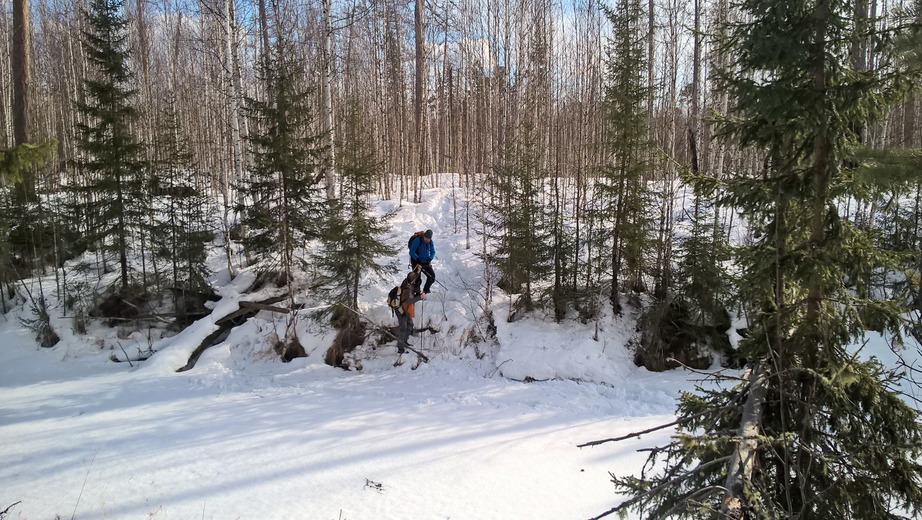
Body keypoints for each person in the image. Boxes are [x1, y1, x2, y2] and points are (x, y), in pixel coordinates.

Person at [397, 271, 425, 353]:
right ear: (412, 281)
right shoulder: (408, 289)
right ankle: (400, 348)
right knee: (403, 328)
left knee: (410, 324)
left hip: (406, 309)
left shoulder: (406, 282)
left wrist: (418, 271)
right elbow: (409, 301)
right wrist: (420, 297)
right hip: (402, 310)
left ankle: (404, 341)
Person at [409, 229, 436, 295]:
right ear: (424, 236)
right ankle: (417, 293)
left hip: (426, 261)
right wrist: (417, 258)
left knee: (432, 277)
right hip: (416, 261)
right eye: (426, 238)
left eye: (428, 238)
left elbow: (433, 251)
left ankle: (425, 291)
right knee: (417, 279)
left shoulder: (430, 242)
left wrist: (430, 258)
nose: (426, 240)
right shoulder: (417, 240)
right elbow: (411, 251)